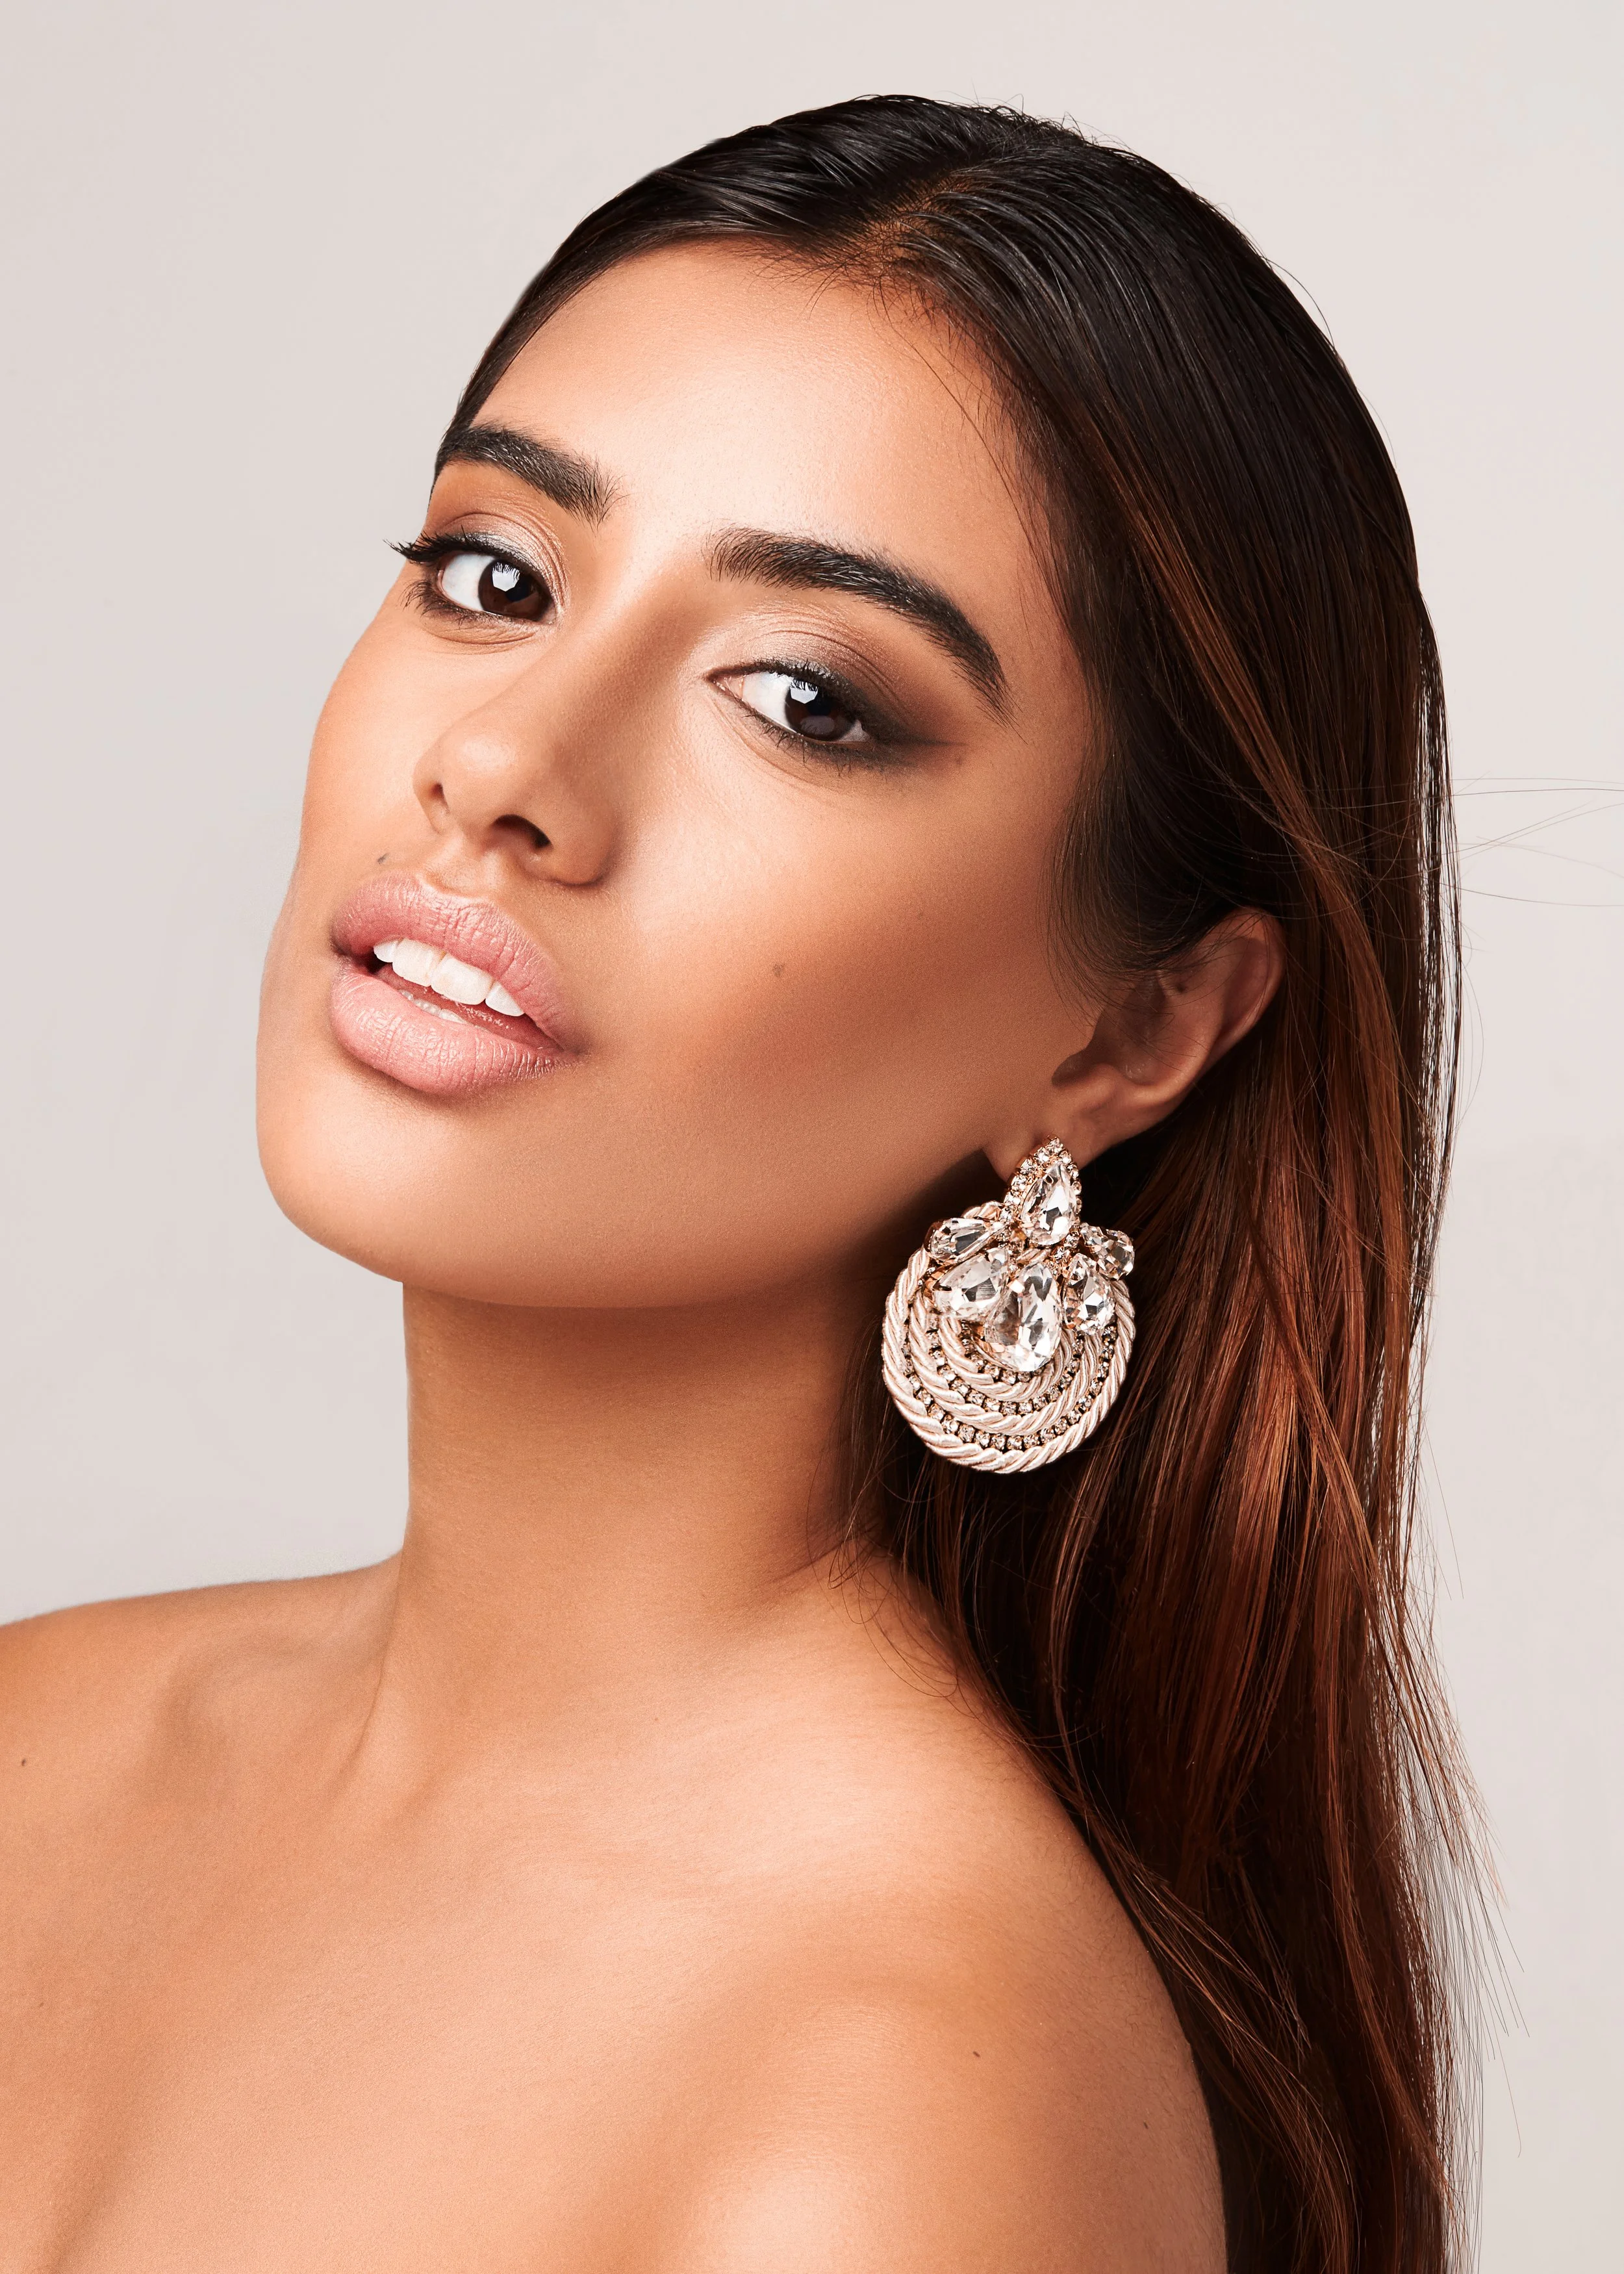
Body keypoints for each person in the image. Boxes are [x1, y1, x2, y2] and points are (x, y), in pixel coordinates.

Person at [0, 97, 1475, 2272]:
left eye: (801, 697)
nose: (501, 767)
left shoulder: (906, 2093)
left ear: (1125, 1031)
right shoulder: (41, 1737)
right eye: (496, 575)